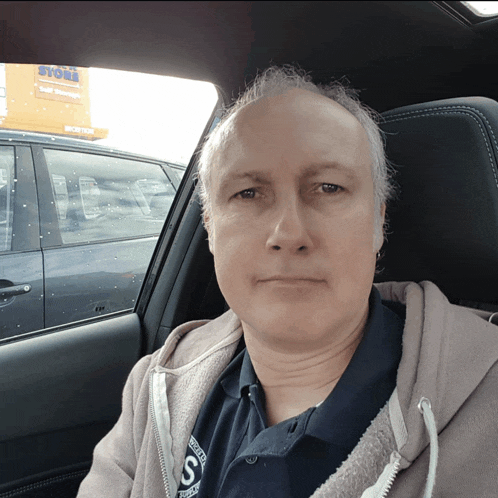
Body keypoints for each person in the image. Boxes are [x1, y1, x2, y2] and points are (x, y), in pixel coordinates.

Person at [77, 66, 498, 498]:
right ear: (211, 226)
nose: (289, 234)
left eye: (328, 188)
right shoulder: (155, 386)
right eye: (248, 193)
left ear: (378, 222)